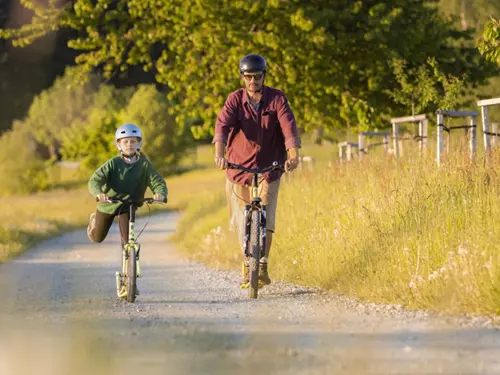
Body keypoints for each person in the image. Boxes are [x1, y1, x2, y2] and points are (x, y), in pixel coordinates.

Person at [212, 53, 301, 288]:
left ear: (264, 76)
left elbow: (288, 126)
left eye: (257, 76)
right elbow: (222, 126)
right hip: (239, 167)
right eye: (248, 77)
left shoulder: (277, 99)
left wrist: (293, 155)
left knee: (267, 215)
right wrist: (219, 154)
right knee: (243, 218)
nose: (253, 81)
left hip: (269, 165)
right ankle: (246, 264)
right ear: (242, 77)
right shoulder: (234, 100)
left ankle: (262, 264)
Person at [87, 123, 168, 245]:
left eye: (133, 141)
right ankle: (94, 222)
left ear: (138, 144)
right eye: (125, 142)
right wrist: (99, 193)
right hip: (108, 204)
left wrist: (160, 193)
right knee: (98, 237)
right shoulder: (113, 163)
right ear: (119, 145)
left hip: (128, 205)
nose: (129, 144)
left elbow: (157, 181)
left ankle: (129, 260)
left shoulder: (144, 165)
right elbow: (95, 180)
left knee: (127, 241)